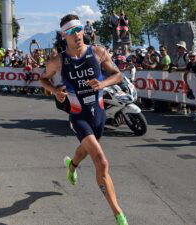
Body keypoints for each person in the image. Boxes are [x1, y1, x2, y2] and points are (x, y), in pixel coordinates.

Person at [40, 14, 128, 225]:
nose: (76, 34)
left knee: (86, 148)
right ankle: (119, 215)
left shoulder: (98, 52)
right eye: (70, 31)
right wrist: (54, 91)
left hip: (98, 114)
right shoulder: (58, 60)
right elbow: (43, 78)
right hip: (78, 115)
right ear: (64, 35)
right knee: (101, 161)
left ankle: (72, 166)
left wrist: (103, 84)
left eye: (78, 29)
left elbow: (118, 75)